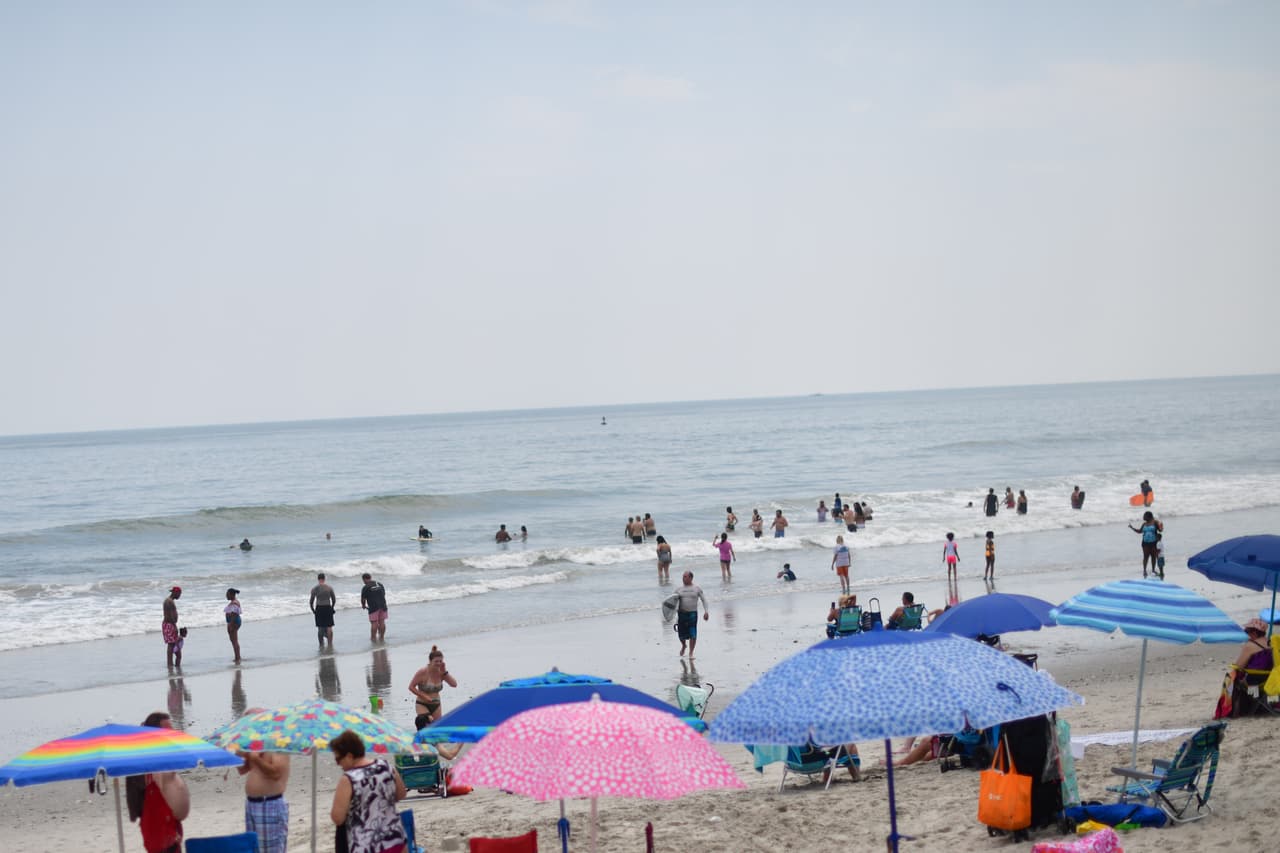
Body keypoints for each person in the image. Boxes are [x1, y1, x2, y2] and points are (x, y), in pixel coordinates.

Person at [330, 730, 407, 853]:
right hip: (394, 838)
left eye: (338, 759)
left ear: (349, 756)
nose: (338, 764)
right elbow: (401, 794)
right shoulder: (385, 766)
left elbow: (338, 818)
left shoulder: (349, 779)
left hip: (366, 845)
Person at [126, 712, 190, 853]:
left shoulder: (162, 755)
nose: (171, 734)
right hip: (160, 831)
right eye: (167, 730)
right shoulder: (148, 762)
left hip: (170, 830)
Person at [238, 750, 291, 853]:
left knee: (271, 849)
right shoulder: (259, 747)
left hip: (269, 804)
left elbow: (276, 774)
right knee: (254, 846)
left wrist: (256, 759)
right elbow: (242, 770)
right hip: (252, 804)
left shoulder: (278, 747)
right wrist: (238, 755)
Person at [408, 645, 457, 731]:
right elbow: (411, 687)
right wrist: (424, 696)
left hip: (436, 704)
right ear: (430, 661)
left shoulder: (442, 672)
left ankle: (435, 745)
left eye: (440, 661)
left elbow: (454, 684)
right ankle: (421, 743)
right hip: (422, 703)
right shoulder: (422, 672)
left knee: (436, 729)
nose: (438, 663)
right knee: (425, 726)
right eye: (436, 661)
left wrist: (445, 671)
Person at [674, 571, 710, 658]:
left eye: (685, 577)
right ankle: (683, 645)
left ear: (691, 578)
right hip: (681, 614)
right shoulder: (678, 590)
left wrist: (706, 611)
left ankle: (691, 652)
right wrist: (675, 618)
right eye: (683, 577)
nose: (683, 578)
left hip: (692, 614)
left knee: (693, 634)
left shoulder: (696, 589)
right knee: (681, 635)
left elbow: (704, 600)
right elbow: (673, 604)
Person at [1128, 512, 1163, 578]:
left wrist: (1161, 525)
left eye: (1145, 516)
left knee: (1153, 557)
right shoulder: (1144, 524)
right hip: (1145, 543)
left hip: (1154, 543)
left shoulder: (1155, 523)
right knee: (1145, 557)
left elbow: (1160, 530)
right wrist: (1132, 528)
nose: (1143, 517)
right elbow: (1139, 531)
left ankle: (1153, 570)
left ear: (1149, 516)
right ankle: (1144, 570)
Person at [310, 572, 337, 650]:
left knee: (320, 627)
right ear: (324, 579)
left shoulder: (315, 588)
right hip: (327, 607)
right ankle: (330, 644)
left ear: (318, 579)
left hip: (319, 608)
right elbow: (334, 599)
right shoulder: (329, 588)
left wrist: (313, 610)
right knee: (329, 627)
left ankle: (321, 645)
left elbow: (311, 601)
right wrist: (332, 607)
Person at [360, 573, 388, 642]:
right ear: (370, 577)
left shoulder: (366, 587)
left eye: (363, 580)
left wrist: (363, 605)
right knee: (382, 621)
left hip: (373, 607)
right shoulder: (379, 584)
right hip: (383, 605)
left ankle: (373, 638)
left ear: (364, 579)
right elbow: (384, 593)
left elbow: (363, 599)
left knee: (374, 622)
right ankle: (381, 637)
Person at [163, 586, 182, 668]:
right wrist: (174, 626)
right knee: (171, 645)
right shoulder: (169, 601)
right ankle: (169, 664)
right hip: (169, 624)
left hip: (169, 624)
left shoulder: (169, 601)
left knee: (172, 644)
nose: (179, 596)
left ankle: (170, 663)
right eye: (179, 594)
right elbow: (170, 616)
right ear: (175, 593)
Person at [224, 588, 242, 664]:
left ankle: (237, 657)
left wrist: (231, 624)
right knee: (234, 641)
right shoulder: (233, 602)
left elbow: (234, 614)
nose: (226, 596)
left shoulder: (234, 603)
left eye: (227, 594)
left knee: (234, 641)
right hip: (233, 622)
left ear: (232, 595)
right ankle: (237, 656)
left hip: (234, 622)